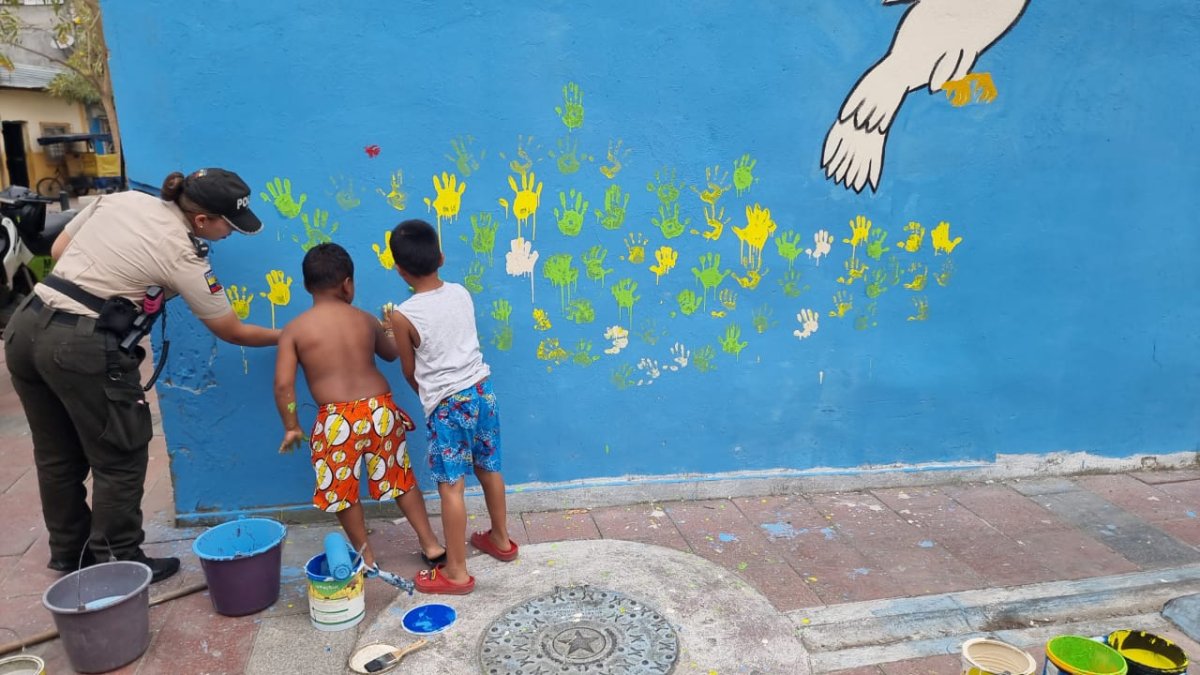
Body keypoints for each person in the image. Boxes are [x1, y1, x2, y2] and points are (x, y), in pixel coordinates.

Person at [3, 168, 280, 583]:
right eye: (229, 225)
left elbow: (61, 250)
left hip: (26, 329)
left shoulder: (123, 199)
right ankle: (120, 561)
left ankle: (70, 554)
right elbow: (231, 330)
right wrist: (293, 334)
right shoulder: (182, 253)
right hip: (81, 345)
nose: (230, 234)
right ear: (202, 220)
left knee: (57, 456)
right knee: (120, 456)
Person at [273, 243, 445, 575]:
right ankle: (431, 544)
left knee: (344, 489)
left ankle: (366, 557)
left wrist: (292, 424)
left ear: (307, 285)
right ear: (347, 284)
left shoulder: (295, 329)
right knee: (401, 479)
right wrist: (390, 326)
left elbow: (283, 385)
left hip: (337, 419)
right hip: (380, 410)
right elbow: (392, 353)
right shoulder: (365, 320)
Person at [386, 218, 518, 595]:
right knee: (489, 467)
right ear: (441, 256)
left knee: (451, 488)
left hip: (448, 406)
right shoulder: (461, 292)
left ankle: (456, 572)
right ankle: (502, 540)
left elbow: (410, 371)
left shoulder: (402, 315)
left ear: (399, 270)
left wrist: (428, 393)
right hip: (482, 391)